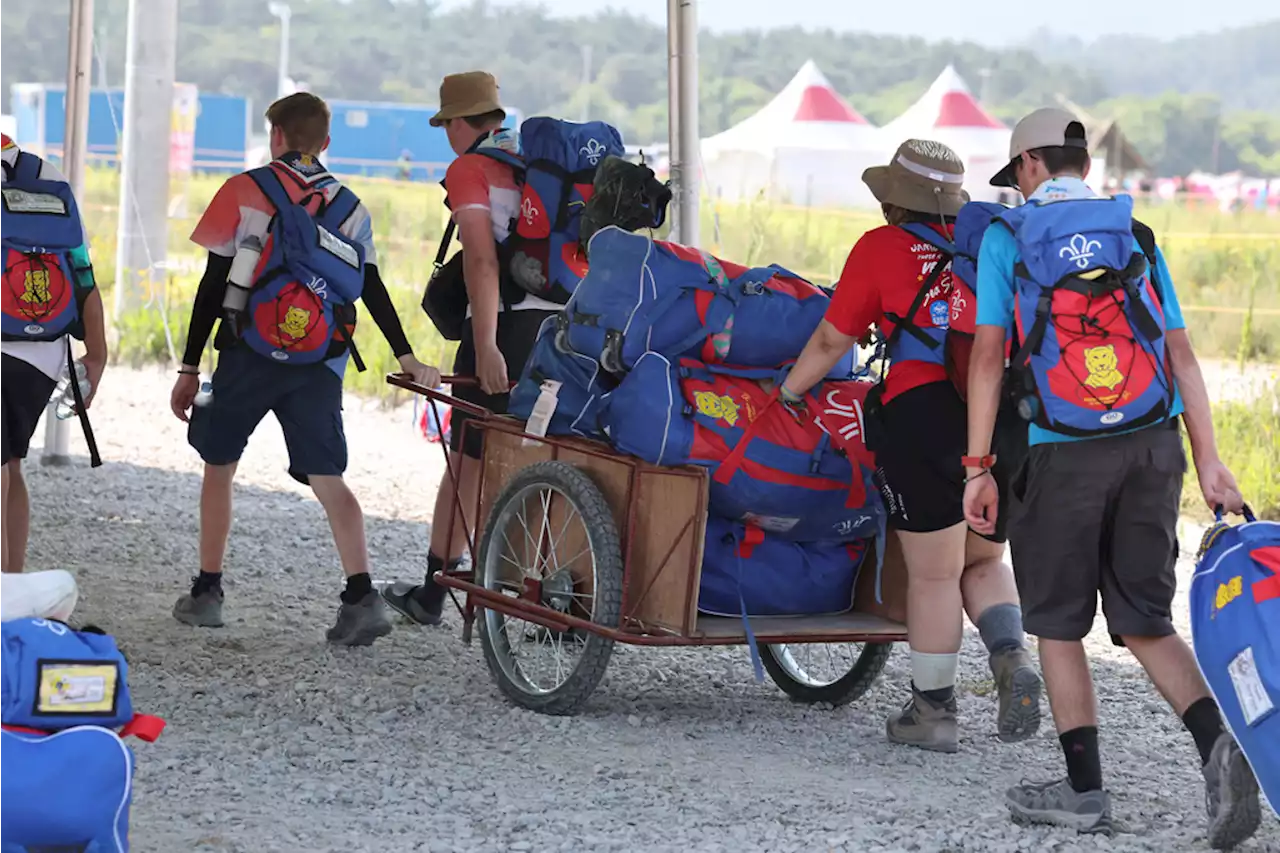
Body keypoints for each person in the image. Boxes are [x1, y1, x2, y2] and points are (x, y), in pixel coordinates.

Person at [963, 107, 1261, 847]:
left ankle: (1084, 788)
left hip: (1058, 447)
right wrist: (1213, 460)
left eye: (1019, 170)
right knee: (1142, 618)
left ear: (1030, 165)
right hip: (1153, 444)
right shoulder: (1138, 234)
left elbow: (988, 359)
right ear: (1083, 165)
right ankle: (1218, 747)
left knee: (1059, 623)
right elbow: (1182, 356)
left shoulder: (1008, 237)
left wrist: (978, 467)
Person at [779, 139, 1041, 754]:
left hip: (924, 415)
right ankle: (1010, 656)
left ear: (895, 200)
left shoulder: (881, 248)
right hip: (1003, 417)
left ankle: (934, 713)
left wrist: (789, 393)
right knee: (981, 561)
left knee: (933, 575)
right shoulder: (994, 243)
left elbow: (829, 340)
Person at [169, 93, 440, 647]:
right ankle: (361, 596)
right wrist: (405, 353)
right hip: (320, 360)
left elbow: (212, 285)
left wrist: (190, 365)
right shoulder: (351, 207)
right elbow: (370, 287)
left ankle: (207, 593)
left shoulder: (244, 190)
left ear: (276, 136)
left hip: (247, 354)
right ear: (326, 142)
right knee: (328, 477)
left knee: (220, 464)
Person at [381, 71, 559, 625]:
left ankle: (438, 591)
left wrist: (484, 345)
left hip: (505, 330)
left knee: (468, 462)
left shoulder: (471, 168)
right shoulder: (541, 165)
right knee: (538, 460)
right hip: (561, 332)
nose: (446, 136)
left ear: (460, 122)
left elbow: (481, 260)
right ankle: (549, 595)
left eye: (445, 125)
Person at [0, 133, 108, 574]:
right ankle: (13, 587)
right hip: (41, 353)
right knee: (11, 463)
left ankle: (4, 604)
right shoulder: (46, 175)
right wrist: (97, 354)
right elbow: (80, 269)